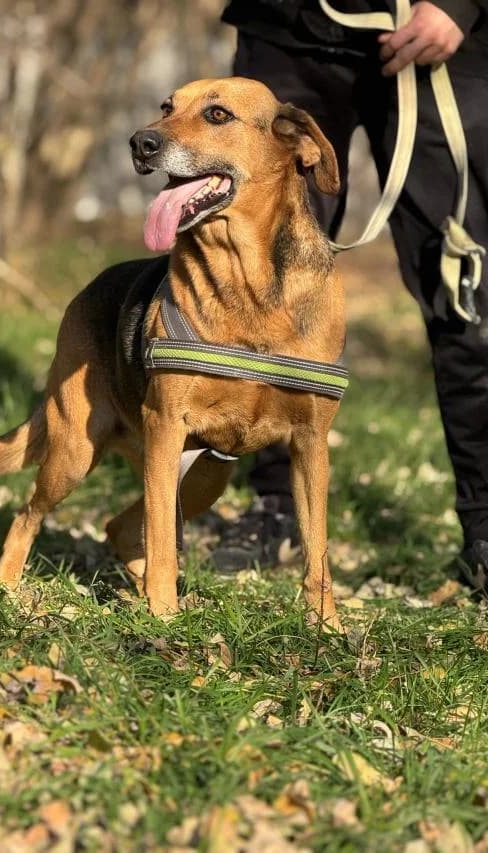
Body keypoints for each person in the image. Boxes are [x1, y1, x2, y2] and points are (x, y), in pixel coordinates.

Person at [214, 0, 488, 592]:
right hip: (291, 34)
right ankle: (275, 506)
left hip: (445, 42)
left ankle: (484, 529)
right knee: (256, 279)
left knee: (463, 285)